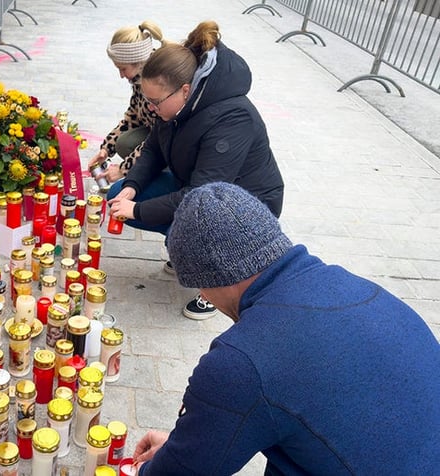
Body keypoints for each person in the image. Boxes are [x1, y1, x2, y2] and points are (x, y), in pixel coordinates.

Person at [132, 182, 440, 475]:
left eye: (198, 286)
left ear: (209, 278)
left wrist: (155, 465)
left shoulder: (240, 362)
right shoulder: (363, 289)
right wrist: (186, 445)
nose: (202, 295)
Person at [106, 21, 284, 320]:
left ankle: (221, 281)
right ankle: (185, 246)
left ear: (185, 90)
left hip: (246, 206)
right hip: (199, 189)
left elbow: (203, 196)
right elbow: (153, 149)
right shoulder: (172, 104)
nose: (149, 109)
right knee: (118, 194)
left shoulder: (232, 117)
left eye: (154, 102)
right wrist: (132, 186)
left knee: (167, 211)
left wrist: (137, 210)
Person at [87, 21, 163, 184]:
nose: (121, 75)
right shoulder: (139, 78)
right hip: (157, 135)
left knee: (117, 190)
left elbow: (160, 138)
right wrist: (106, 149)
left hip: (172, 144)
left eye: (123, 68)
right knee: (124, 143)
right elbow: (132, 117)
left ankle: (163, 175)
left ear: (138, 62)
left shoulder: (158, 83)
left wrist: (124, 169)